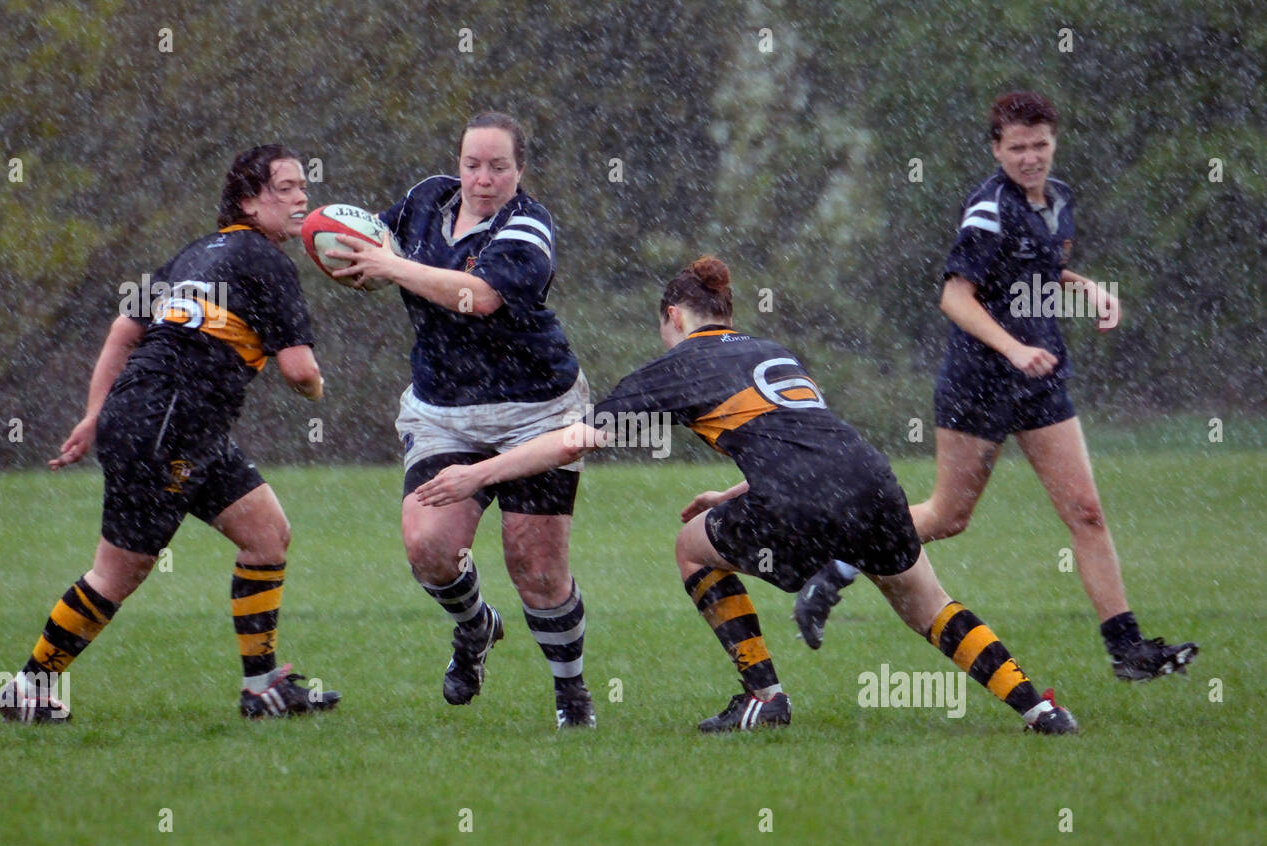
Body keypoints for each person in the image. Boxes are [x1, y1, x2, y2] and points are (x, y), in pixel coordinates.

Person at [415, 256, 1078, 735]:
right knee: (928, 606)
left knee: (690, 549)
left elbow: (570, 442)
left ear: (672, 316)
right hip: (870, 479)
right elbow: (802, 437)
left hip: (800, 499)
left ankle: (763, 693)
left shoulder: (678, 364)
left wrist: (478, 474)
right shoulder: (768, 349)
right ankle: (1038, 706)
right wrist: (736, 488)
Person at [795, 91, 1198, 681]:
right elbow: (954, 295)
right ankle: (837, 567)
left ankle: (1128, 650)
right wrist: (1010, 347)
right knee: (949, 516)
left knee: (1086, 512)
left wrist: (1087, 287)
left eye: (1040, 145)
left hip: (1040, 380)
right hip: (979, 383)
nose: (1031, 158)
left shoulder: (1058, 201)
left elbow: (1033, 266)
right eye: (1018, 148)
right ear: (996, 149)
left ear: (1054, 142)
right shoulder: (987, 208)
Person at [0, 145, 340, 723]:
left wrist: (94, 414)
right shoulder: (266, 261)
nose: (302, 196)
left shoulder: (198, 253)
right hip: (167, 424)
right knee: (118, 572)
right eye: (285, 188)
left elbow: (124, 328)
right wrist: (317, 391)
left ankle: (262, 687)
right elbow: (300, 370)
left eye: (302, 185)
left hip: (177, 421)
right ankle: (28, 686)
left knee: (267, 535)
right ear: (251, 201)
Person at [327, 112, 595, 728]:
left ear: (519, 170)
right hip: (444, 411)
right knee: (429, 547)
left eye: (498, 166)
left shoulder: (529, 226)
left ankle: (572, 696)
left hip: (538, 410)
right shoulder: (427, 197)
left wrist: (392, 268)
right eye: (472, 163)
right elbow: (371, 243)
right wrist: (321, 238)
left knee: (536, 567)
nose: (482, 178)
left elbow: (479, 297)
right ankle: (476, 627)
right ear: (458, 162)